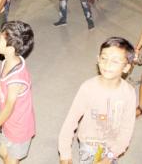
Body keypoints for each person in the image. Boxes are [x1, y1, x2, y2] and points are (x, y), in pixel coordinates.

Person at [58, 36, 136, 164]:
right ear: (98, 59)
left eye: (115, 61)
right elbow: (71, 120)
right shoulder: (88, 88)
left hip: (113, 147)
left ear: (127, 67)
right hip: (88, 145)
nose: (107, 64)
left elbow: (127, 129)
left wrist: (110, 156)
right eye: (104, 58)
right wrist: (65, 152)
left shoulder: (128, 93)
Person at [0, 21, 35, 164]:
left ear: (11, 48)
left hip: (19, 128)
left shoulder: (17, 79)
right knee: (3, 153)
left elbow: (9, 107)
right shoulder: (8, 61)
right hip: (8, 123)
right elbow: (0, 84)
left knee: (10, 160)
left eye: (1, 38)